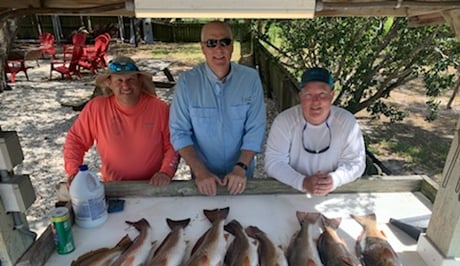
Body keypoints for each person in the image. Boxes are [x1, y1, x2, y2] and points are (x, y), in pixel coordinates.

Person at [169, 20, 266, 196]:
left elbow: (255, 128)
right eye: (211, 43)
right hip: (202, 175)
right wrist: (200, 171)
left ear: (232, 47)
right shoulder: (187, 82)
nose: (219, 49)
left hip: (242, 172)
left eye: (225, 42)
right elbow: (179, 132)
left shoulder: (251, 79)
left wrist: (241, 166)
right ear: (202, 48)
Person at [64, 55, 178, 186]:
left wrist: (165, 172)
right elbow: (75, 140)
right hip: (114, 186)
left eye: (130, 79)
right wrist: (74, 172)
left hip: (153, 185)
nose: (125, 85)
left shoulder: (160, 108)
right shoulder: (96, 108)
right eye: (119, 80)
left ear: (140, 81)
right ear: (109, 83)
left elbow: (173, 144)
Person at [265, 67, 366, 195]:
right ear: (300, 96)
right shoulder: (284, 121)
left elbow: (356, 162)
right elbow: (273, 162)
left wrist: (335, 179)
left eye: (322, 94)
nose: (315, 101)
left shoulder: (347, 122)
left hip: (334, 193)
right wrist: (302, 182)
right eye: (308, 95)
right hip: (291, 192)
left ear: (331, 95)